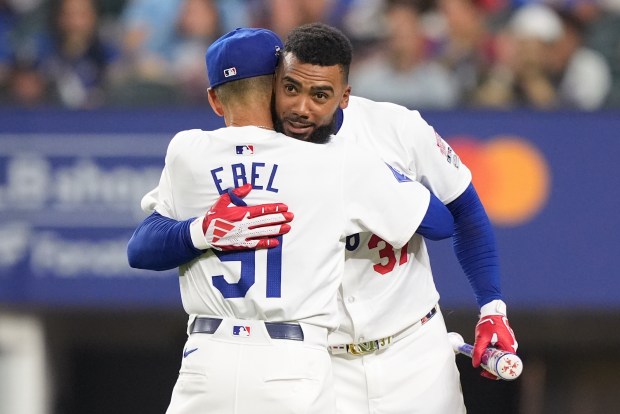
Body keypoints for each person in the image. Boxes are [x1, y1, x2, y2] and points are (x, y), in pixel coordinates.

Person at [129, 23, 519, 413]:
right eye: (290, 88)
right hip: (318, 359)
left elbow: (462, 212)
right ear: (273, 85)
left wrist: (492, 308)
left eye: (320, 94)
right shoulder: (245, 154)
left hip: (411, 347)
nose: (301, 107)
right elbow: (146, 242)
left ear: (344, 96)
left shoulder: (394, 128)